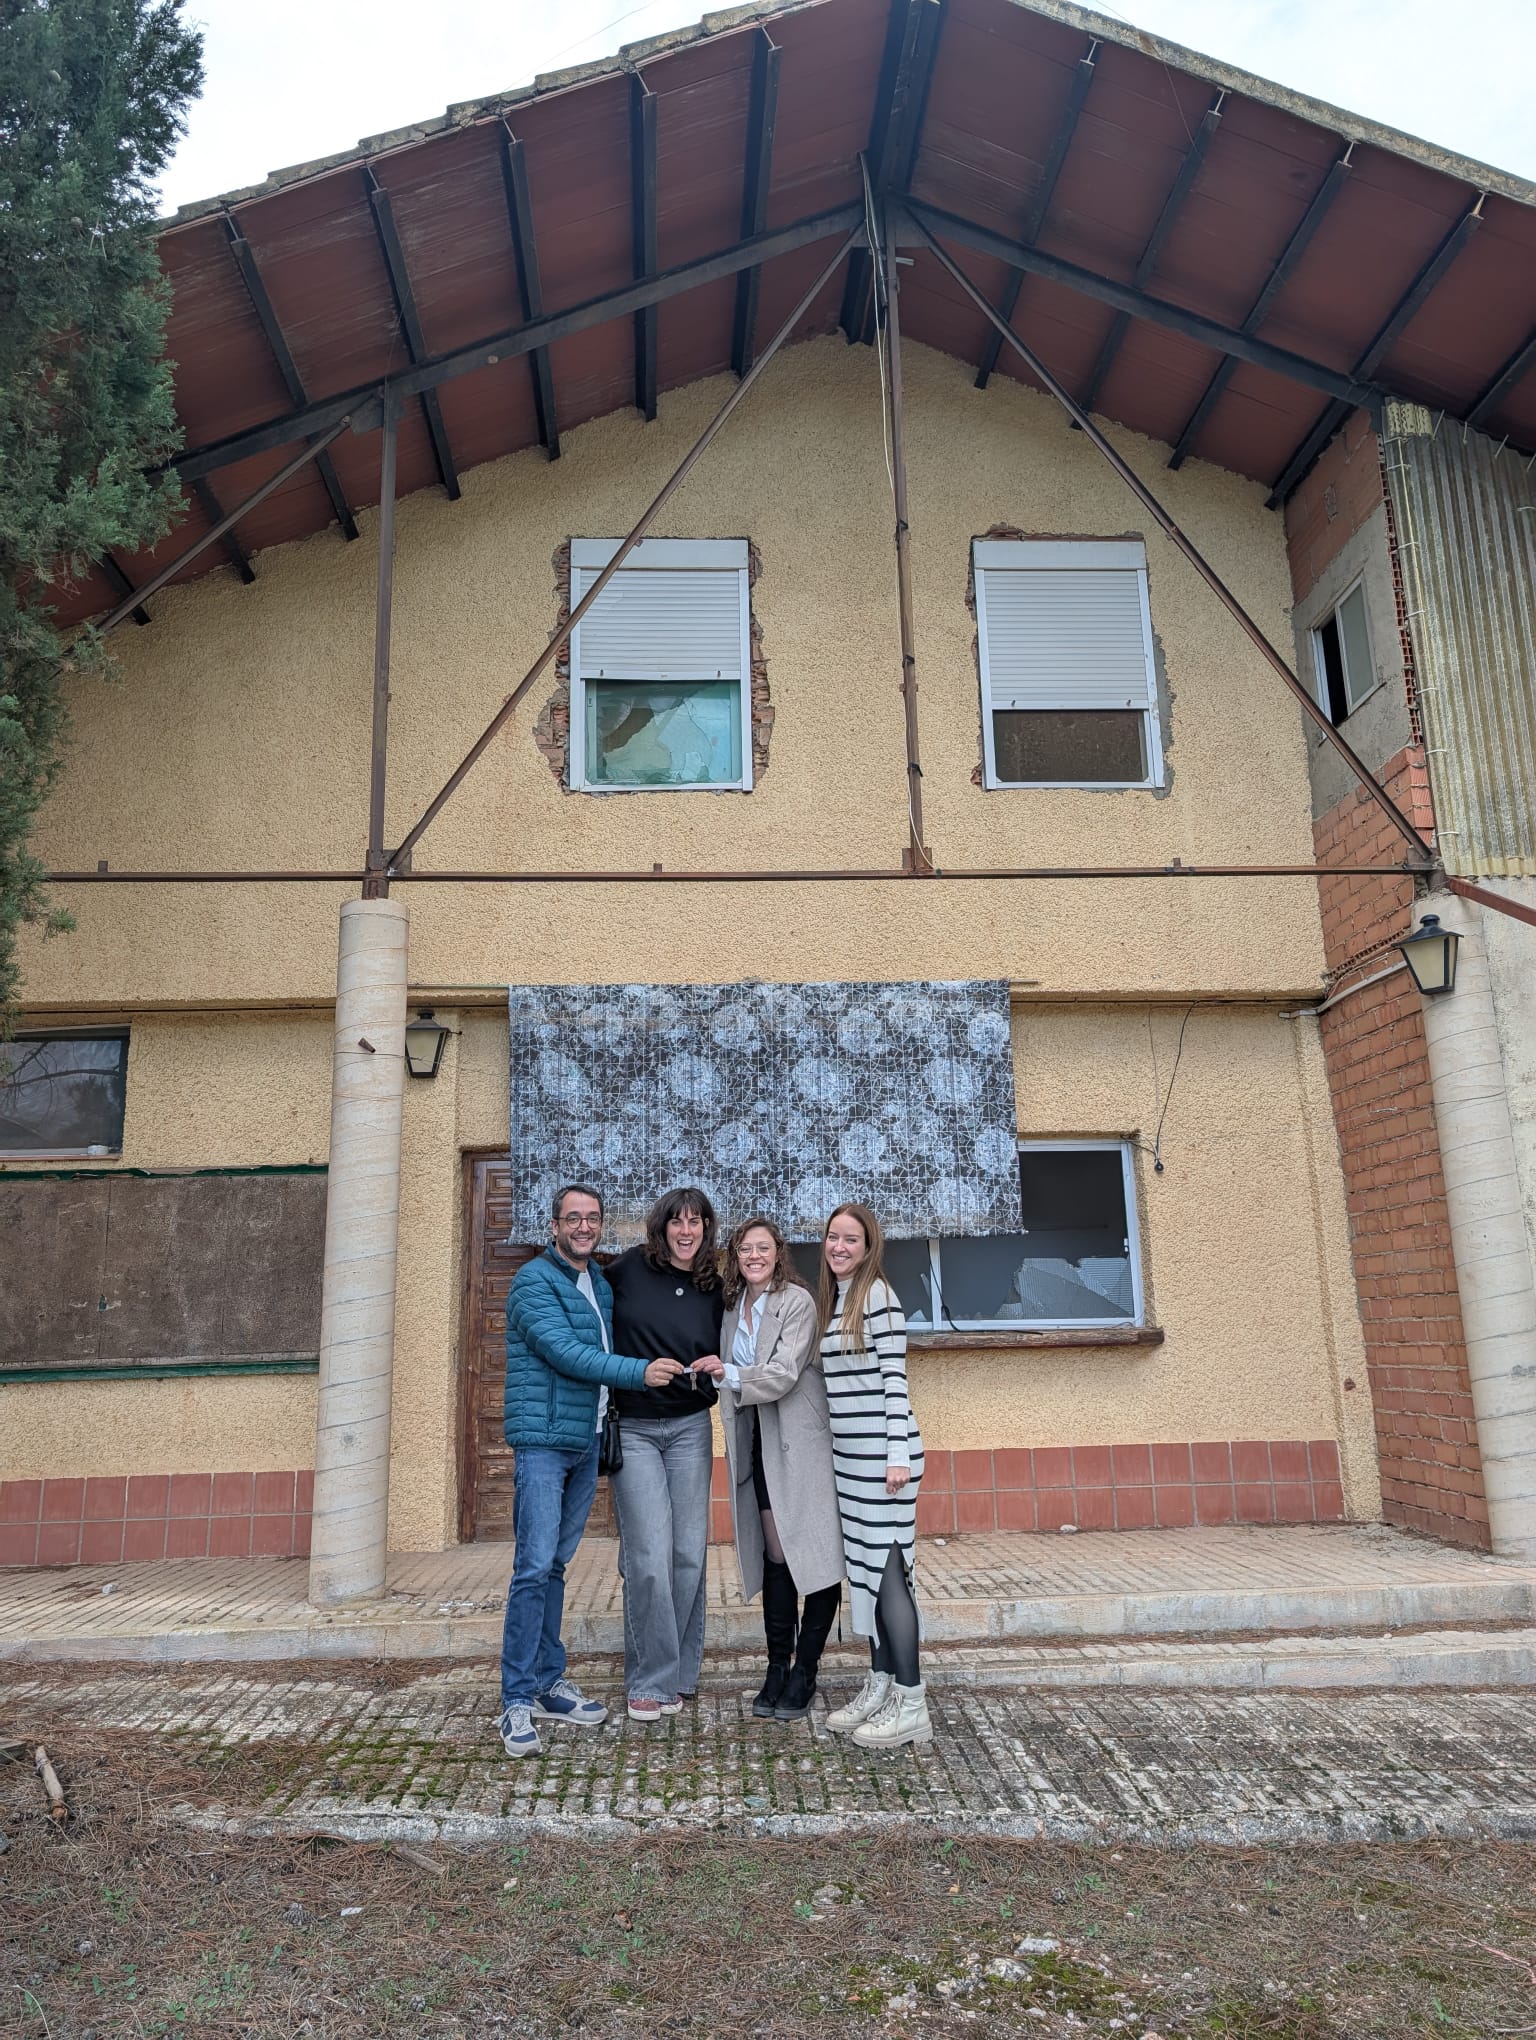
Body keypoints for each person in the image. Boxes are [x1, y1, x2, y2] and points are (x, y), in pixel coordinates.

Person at [497, 1182, 682, 1759]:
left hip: (584, 1441)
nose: (583, 1227)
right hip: (543, 1444)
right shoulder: (534, 1282)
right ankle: (515, 1699)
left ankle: (550, 1681)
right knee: (531, 1566)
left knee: (555, 1564)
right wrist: (640, 1373)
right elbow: (567, 1355)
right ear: (552, 1227)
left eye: (592, 1219)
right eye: (573, 1218)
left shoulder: (598, 1284)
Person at [696, 1216, 844, 1721]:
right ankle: (776, 1667)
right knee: (776, 1553)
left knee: (816, 1550)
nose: (753, 1256)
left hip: (801, 1443)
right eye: (744, 1249)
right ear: (735, 1257)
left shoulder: (797, 1303)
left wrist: (727, 1371)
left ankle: (807, 1668)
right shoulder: (734, 1307)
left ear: (777, 1253)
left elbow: (781, 1374)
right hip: (759, 1441)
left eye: (762, 1248)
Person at [605, 1187, 726, 1722]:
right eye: (676, 1221)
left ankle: (676, 1671)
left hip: (690, 1428)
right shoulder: (627, 1269)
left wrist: (719, 1366)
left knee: (687, 1555)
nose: (686, 1230)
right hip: (633, 1426)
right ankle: (649, 1679)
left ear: (706, 1229)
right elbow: (585, 1309)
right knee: (649, 1557)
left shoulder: (714, 1287)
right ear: (662, 1227)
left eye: (696, 1221)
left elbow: (742, 1344)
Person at [816, 1201, 931, 1749]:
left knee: (889, 1576)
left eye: (851, 1240)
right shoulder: (837, 1302)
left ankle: (912, 1702)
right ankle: (880, 1683)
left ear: (868, 1247)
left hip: (885, 1462)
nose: (839, 1247)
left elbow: (894, 1382)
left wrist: (897, 1458)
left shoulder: (880, 1298)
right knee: (864, 1574)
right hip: (850, 1462)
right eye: (833, 1237)